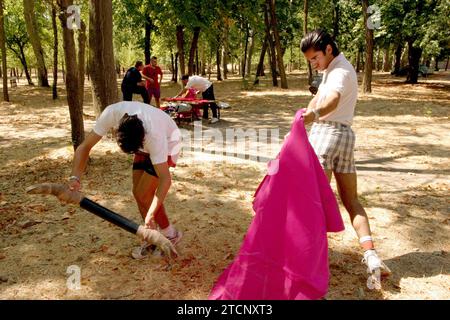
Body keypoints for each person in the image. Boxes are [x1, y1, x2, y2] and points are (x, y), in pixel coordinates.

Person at [299, 29, 390, 283]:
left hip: (327, 136)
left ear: (328, 49)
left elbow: (333, 100)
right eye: (310, 61)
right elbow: (317, 98)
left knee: (313, 203)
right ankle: (371, 256)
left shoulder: (340, 72)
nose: (314, 64)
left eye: (315, 58)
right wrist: (305, 118)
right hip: (345, 138)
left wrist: (313, 117)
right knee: (352, 201)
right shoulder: (332, 69)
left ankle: (310, 267)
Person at [67, 101, 182, 259]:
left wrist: (151, 213)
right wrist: (75, 177)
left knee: (144, 194)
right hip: (145, 136)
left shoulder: (154, 138)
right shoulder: (111, 113)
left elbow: (165, 180)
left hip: (169, 141)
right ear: (117, 131)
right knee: (138, 193)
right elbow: (84, 147)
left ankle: (170, 234)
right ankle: (152, 236)